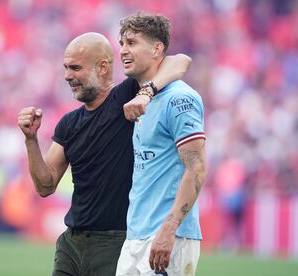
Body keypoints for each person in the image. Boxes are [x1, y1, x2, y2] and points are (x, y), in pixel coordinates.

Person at [18, 31, 191, 276]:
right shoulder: (69, 123)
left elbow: (180, 61)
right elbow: (45, 185)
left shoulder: (126, 96)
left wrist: (146, 92)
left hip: (115, 241)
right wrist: (31, 139)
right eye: (66, 68)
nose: (67, 76)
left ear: (102, 68)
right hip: (71, 242)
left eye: (75, 68)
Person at [116, 13, 206, 276]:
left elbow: (197, 169)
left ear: (157, 49)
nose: (123, 51)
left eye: (131, 43)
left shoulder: (180, 99)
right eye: (121, 43)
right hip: (136, 235)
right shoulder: (142, 97)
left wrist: (169, 229)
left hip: (166, 236)